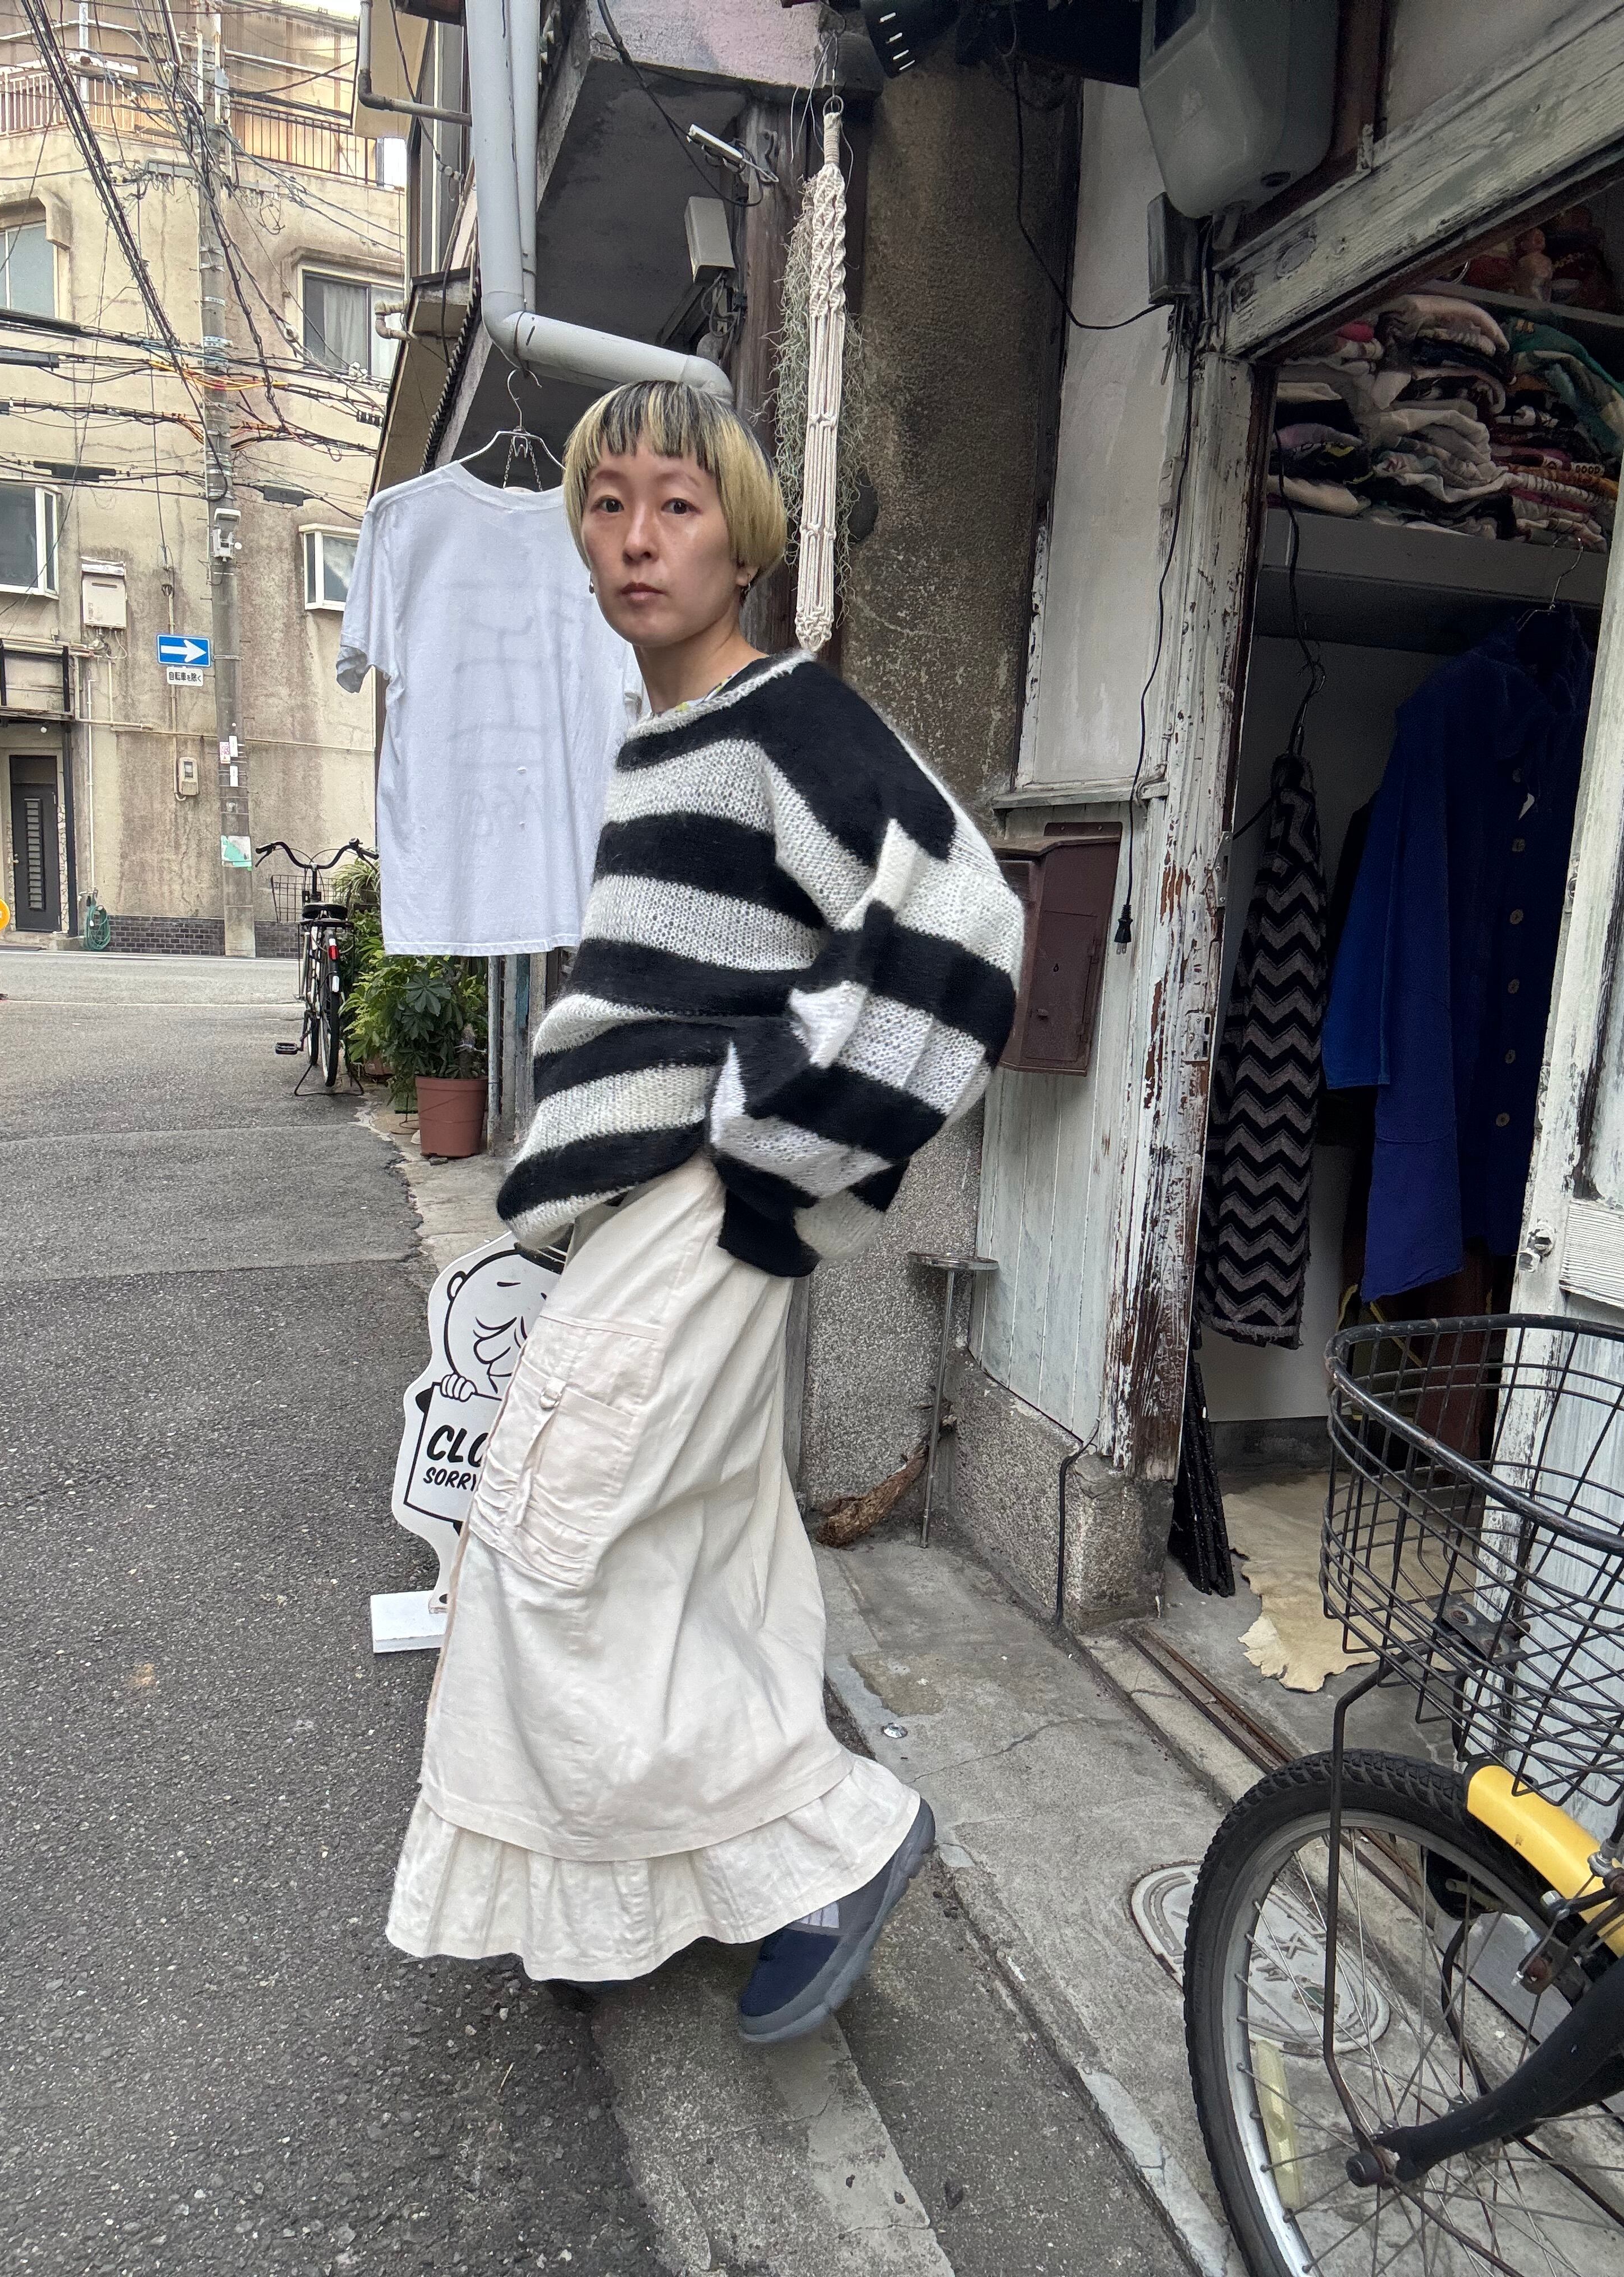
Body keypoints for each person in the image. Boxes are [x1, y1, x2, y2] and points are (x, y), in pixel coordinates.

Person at [387, 380, 1023, 2044]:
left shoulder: (779, 717)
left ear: (743, 538)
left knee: (548, 1540)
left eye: (675, 504)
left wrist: (773, 1140)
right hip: (660, 1207)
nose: (635, 537)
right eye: (607, 506)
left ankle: (836, 1854)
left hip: (695, 1199)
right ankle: (622, 1899)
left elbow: (966, 926)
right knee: (700, 1561)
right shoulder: (669, 738)